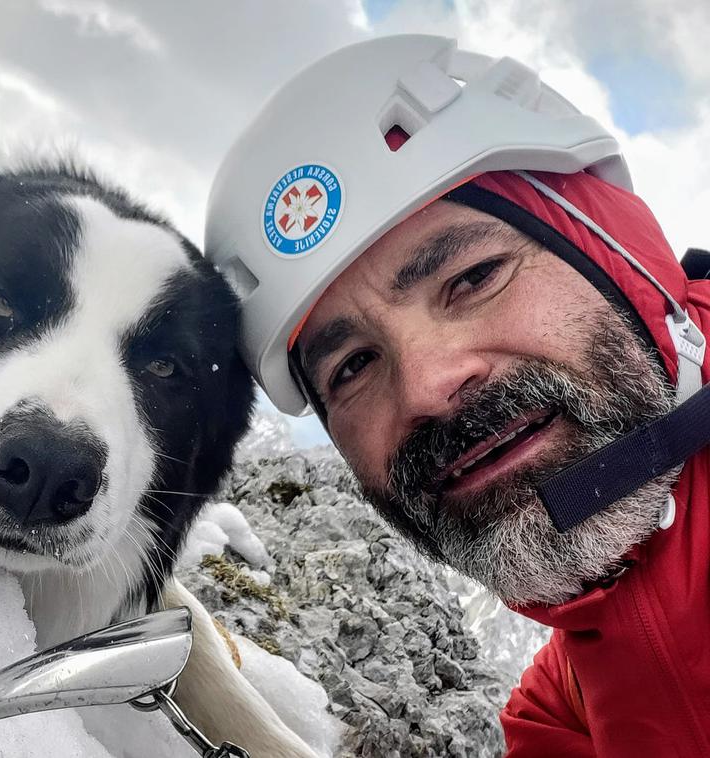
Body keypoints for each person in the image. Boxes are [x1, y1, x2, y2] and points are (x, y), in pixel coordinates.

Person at [205, 35, 710, 756]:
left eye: (472, 278)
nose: (426, 387)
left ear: (618, 255)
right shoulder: (558, 718)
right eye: (351, 367)